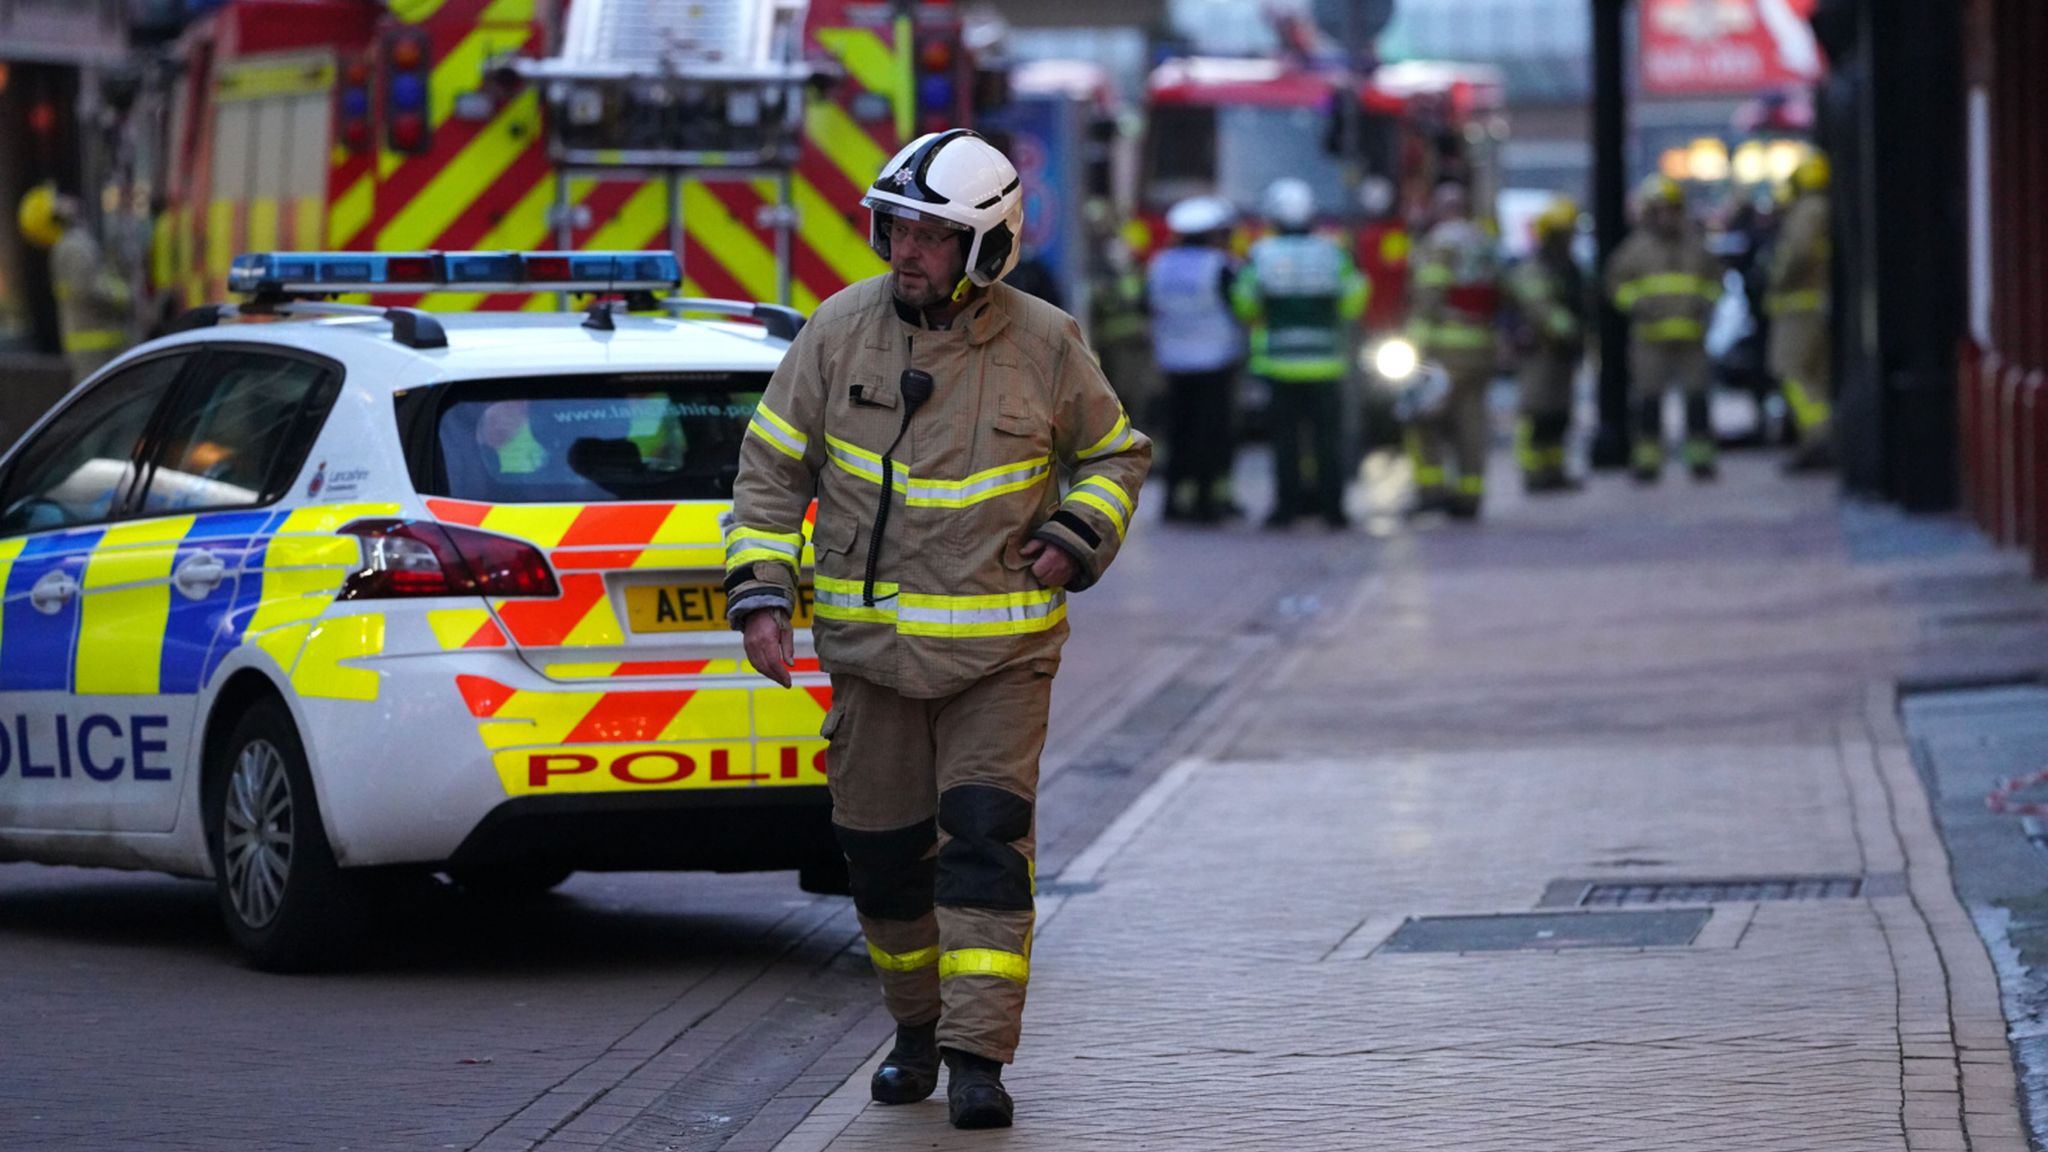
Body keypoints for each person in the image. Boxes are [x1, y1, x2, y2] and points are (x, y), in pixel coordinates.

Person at [722, 129, 1151, 1130]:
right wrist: (758, 593)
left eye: (929, 234)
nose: (904, 250)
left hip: (1000, 659)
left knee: (984, 849)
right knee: (879, 860)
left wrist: (1076, 534)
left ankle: (975, 1057)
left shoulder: (1045, 342)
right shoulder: (835, 332)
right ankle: (914, 1029)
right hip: (869, 662)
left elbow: (1114, 455)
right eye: (894, 229)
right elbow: (769, 472)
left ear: (986, 248)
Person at [1233, 177, 1368, 529]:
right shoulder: (1332, 253)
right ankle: (1332, 510)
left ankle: (1287, 509)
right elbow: (1354, 302)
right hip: (1326, 364)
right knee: (1327, 441)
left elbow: (1245, 305)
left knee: (1286, 443)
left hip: (1280, 365)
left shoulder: (1261, 254)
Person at [1606, 174, 1723, 483]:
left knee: (1697, 400)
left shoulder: (1697, 246)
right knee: (1648, 403)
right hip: (1650, 340)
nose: (1666, 216)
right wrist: (1636, 305)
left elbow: (1716, 281)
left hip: (1692, 339)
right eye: (1659, 210)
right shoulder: (1634, 249)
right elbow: (1615, 285)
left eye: (1671, 209)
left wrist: (1706, 306)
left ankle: (1701, 460)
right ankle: (1647, 462)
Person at [1406, 181, 1503, 519]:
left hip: (1444, 351)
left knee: (1423, 418)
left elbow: (1430, 294)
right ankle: (1470, 495)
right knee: (1471, 423)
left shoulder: (1439, 243)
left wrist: (1416, 345)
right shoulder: (1484, 241)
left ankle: (1431, 491)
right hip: (1481, 349)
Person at [1146, 194, 1243, 523]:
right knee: (1212, 433)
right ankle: (1207, 503)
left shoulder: (1159, 265)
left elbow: (1145, 306)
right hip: (1216, 361)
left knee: (1178, 432)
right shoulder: (1221, 266)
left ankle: (1174, 501)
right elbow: (1242, 307)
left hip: (1172, 361)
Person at [1507, 196, 1589, 494]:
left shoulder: (1568, 268)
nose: (1569, 240)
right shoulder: (1534, 268)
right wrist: (1567, 329)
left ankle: (1554, 469)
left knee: (1559, 413)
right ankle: (1533, 471)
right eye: (1565, 233)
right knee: (1537, 412)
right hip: (1539, 351)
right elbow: (1539, 307)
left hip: (1562, 353)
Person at [17, 182, 132, 381]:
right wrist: (125, 295)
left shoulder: (69, 245)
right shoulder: (72, 246)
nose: (67, 201)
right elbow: (89, 289)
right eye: (58, 201)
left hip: (94, 345)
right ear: (53, 217)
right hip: (98, 348)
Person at [1769, 152, 1833, 471]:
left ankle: (1818, 438)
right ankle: (1820, 437)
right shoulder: (1827, 208)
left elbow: (1798, 253)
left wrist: (1776, 280)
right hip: (1818, 306)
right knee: (1816, 377)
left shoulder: (1808, 210)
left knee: (1791, 372)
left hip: (1798, 308)